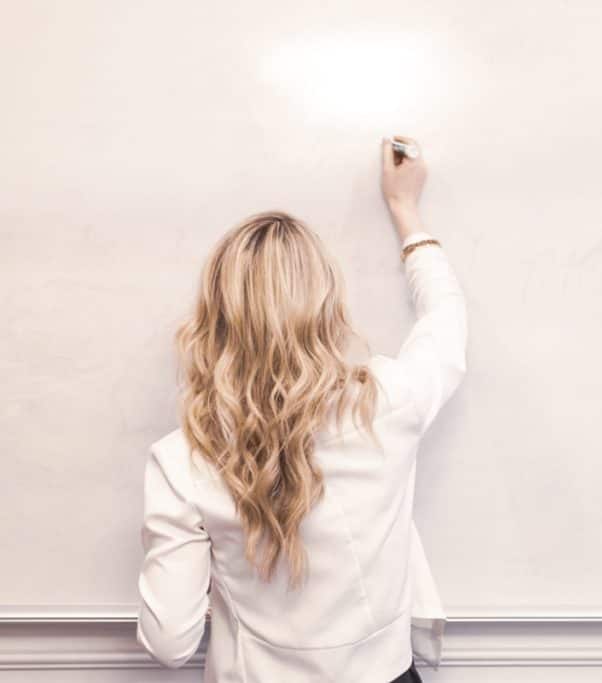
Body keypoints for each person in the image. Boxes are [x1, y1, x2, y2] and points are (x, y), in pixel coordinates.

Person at [135, 135, 467, 683]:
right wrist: (405, 210)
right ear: (326, 305)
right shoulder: (386, 403)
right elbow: (445, 324)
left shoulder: (182, 461)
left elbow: (170, 643)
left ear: (216, 317)